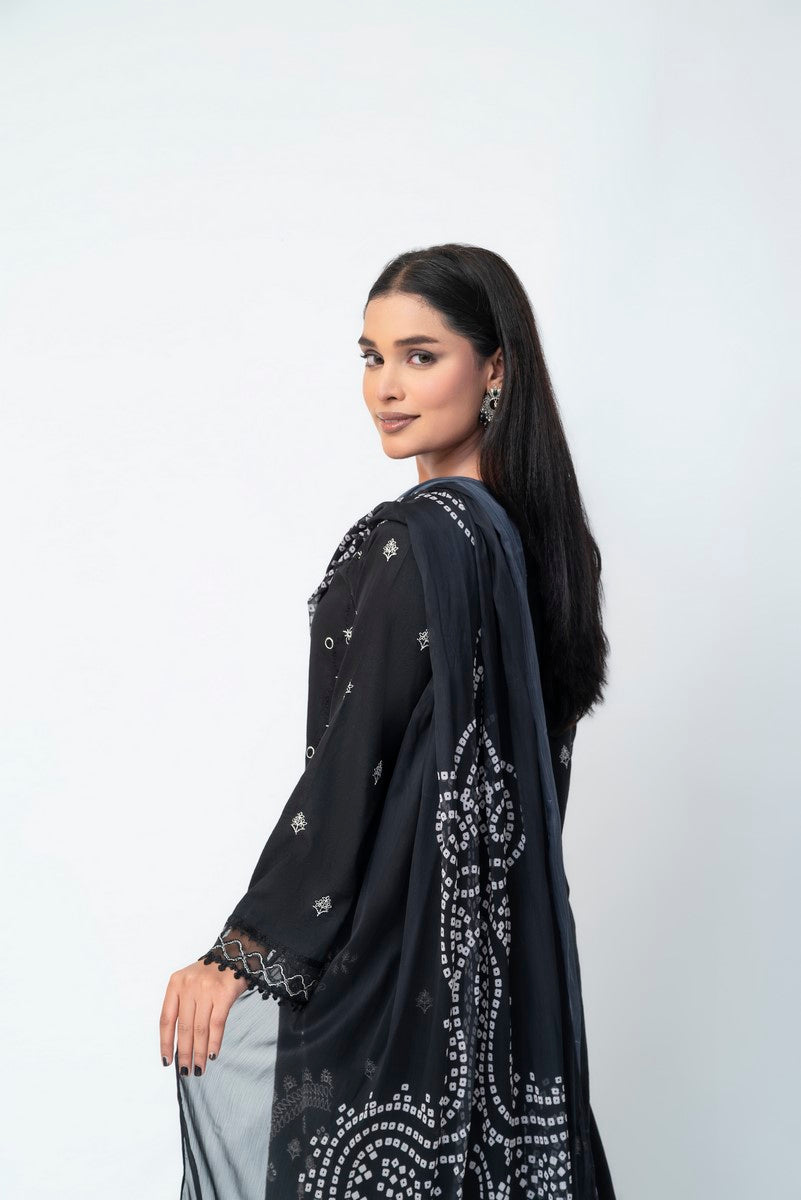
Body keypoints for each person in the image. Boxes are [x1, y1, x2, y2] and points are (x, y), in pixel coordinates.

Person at [160, 243, 617, 1199]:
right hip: (498, 1002)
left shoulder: (421, 539)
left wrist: (239, 955)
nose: (386, 388)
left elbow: (350, 768)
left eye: (420, 355)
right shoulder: (536, 548)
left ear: (493, 368)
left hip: (400, 993)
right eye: (371, 357)